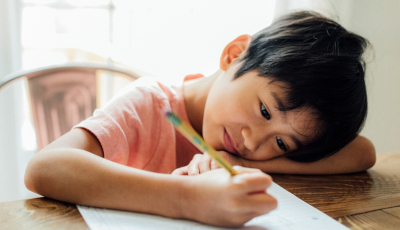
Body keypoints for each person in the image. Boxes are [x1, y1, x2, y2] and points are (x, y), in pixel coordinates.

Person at [24, 11, 375, 227]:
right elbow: (45, 167)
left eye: (282, 143)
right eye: (265, 111)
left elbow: (362, 153)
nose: (255, 142)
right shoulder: (149, 104)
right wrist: (187, 198)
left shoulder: (246, 150)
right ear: (235, 54)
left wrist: (239, 161)